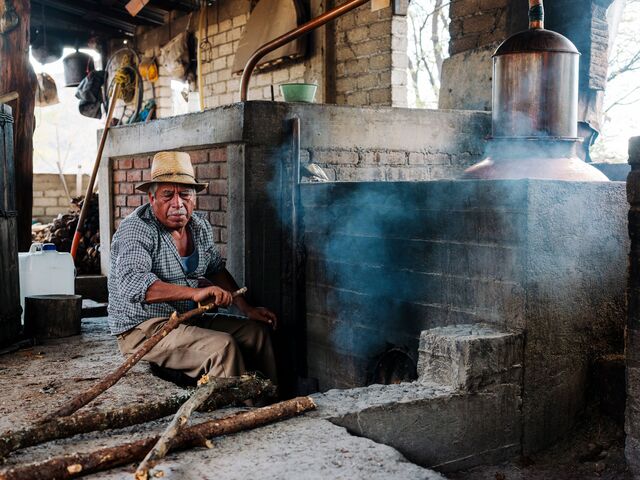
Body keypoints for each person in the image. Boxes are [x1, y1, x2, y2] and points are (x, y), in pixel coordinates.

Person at [107, 151, 277, 384]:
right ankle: (236, 416)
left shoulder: (198, 226)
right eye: (168, 195)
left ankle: (268, 404)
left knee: (256, 333)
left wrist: (246, 308)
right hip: (143, 328)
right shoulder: (137, 229)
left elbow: (216, 269)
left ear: (194, 198)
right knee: (221, 347)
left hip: (188, 318)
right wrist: (195, 293)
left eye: (185, 194)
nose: (178, 204)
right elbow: (134, 285)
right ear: (151, 198)